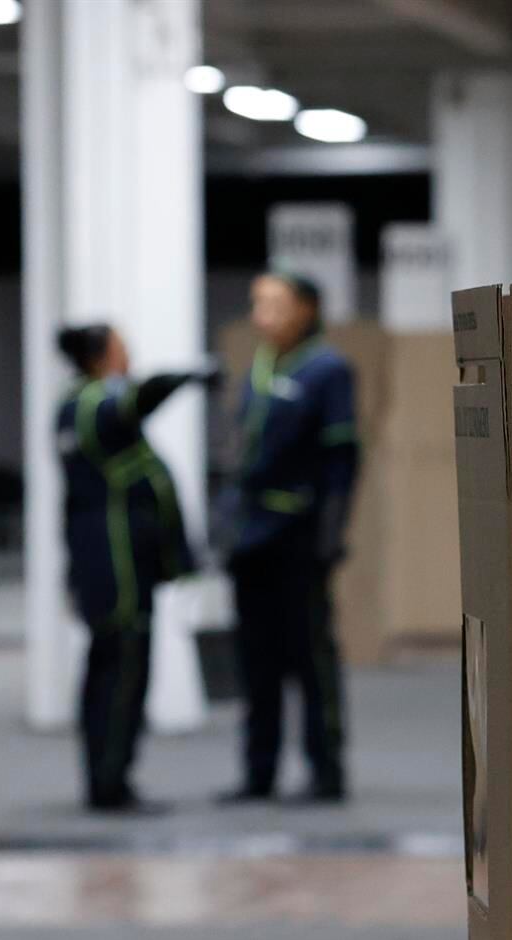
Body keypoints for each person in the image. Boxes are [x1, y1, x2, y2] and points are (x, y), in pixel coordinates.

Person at [54, 323, 214, 812]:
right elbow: (137, 401)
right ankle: (110, 784)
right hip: (118, 571)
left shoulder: (73, 406)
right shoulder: (93, 404)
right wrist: (187, 378)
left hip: (103, 568)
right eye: (123, 348)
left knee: (107, 671)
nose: (130, 357)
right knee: (122, 675)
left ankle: (107, 779)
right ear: (100, 357)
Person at [221, 268, 359, 803]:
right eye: (257, 303)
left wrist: (331, 533)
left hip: (298, 537)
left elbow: (342, 460)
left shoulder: (327, 370)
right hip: (250, 536)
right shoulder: (259, 367)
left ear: (306, 309)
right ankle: (258, 773)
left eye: (274, 303)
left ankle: (326, 771)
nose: (262, 315)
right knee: (256, 660)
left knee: (310, 657)